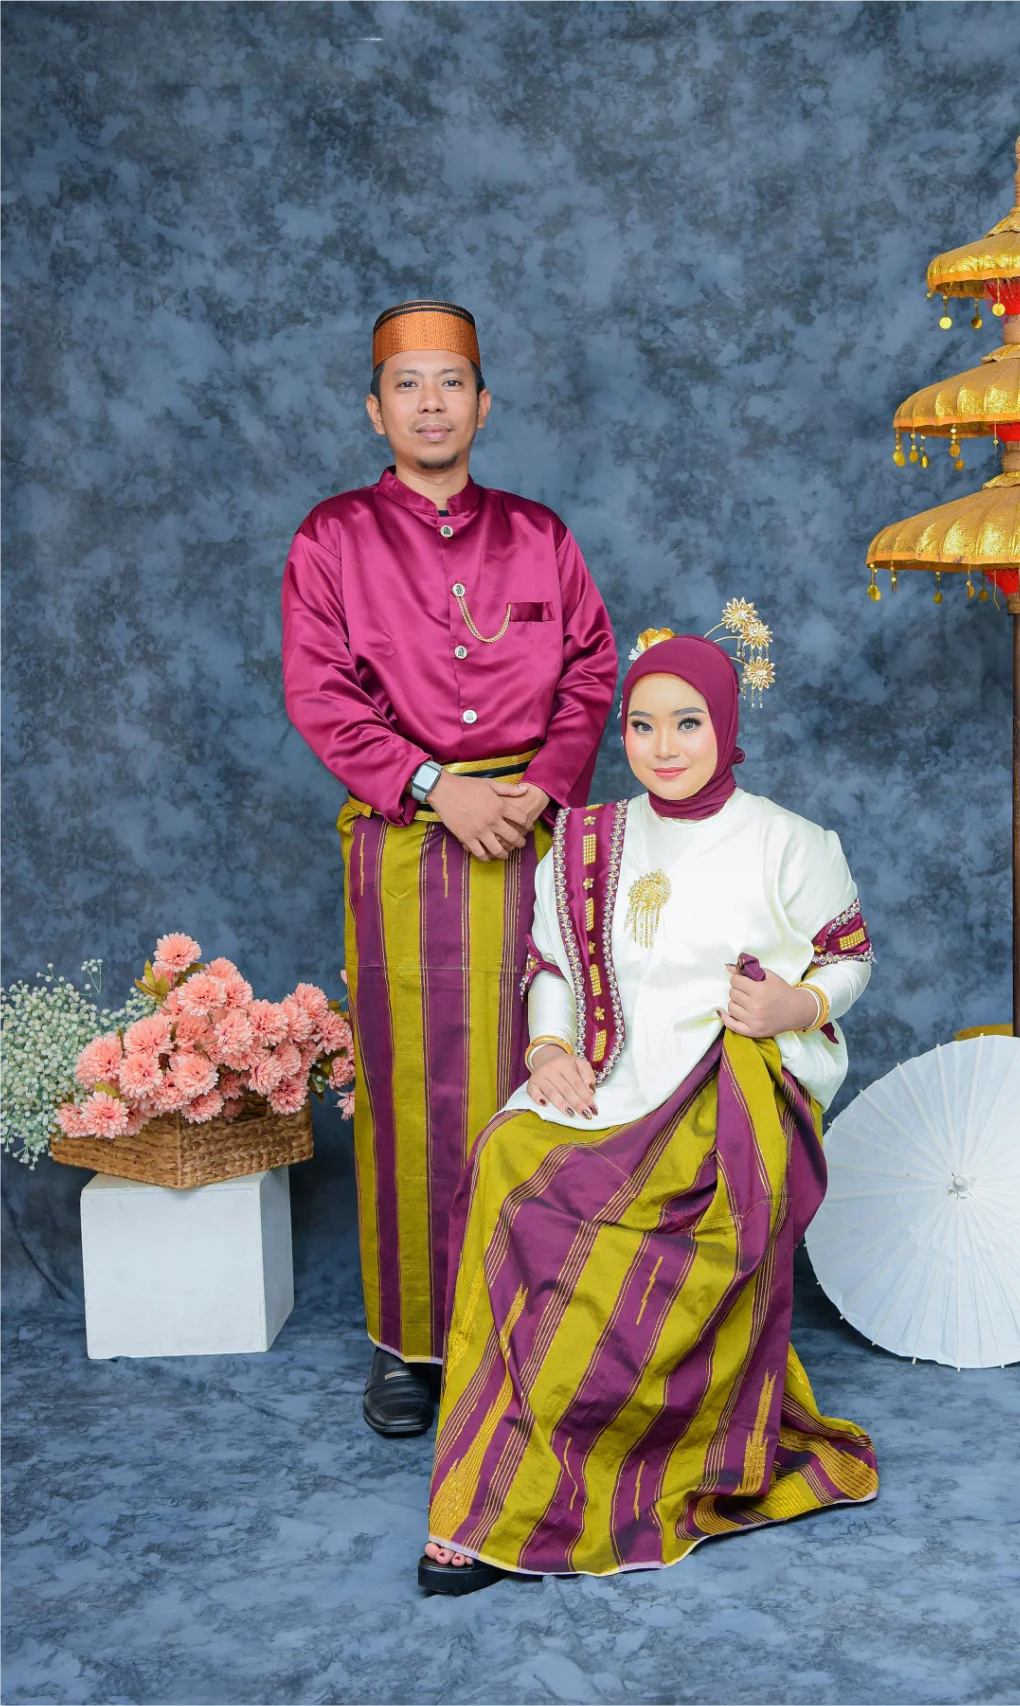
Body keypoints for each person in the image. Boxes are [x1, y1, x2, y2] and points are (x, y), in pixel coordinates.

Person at [418, 625, 877, 1593]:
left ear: (727, 724)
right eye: (641, 724)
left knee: (648, 1230)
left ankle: (582, 1472)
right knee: (506, 1160)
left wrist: (796, 1005)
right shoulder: (586, 839)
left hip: (725, 1097)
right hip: (607, 1077)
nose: (663, 746)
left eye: (687, 722)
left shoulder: (789, 841)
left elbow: (848, 956)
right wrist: (548, 1049)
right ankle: (500, 1467)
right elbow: (548, 963)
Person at [281, 300, 617, 1436]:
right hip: (406, 844)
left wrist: (544, 785)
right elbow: (321, 692)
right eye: (408, 384)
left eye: (452, 382)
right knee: (409, 1093)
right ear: (375, 411)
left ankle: (537, 1326)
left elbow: (590, 671)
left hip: (534, 836)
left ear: (485, 404)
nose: (432, 403)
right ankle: (408, 1340)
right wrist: (436, 787)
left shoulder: (539, 534)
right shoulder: (331, 538)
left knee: (549, 1066)